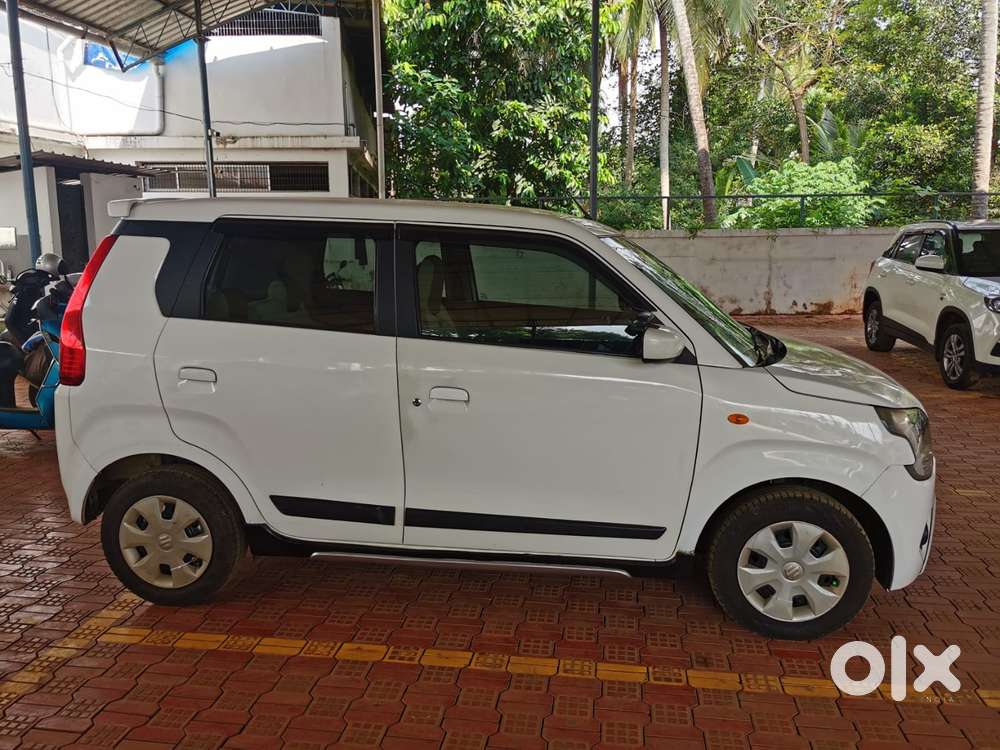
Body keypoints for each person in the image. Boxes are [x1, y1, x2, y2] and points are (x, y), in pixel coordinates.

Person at [3, 253, 65, 348]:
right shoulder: (28, 288)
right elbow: (9, 320)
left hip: (42, 332)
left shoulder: (41, 285)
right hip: (29, 339)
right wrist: (25, 344)